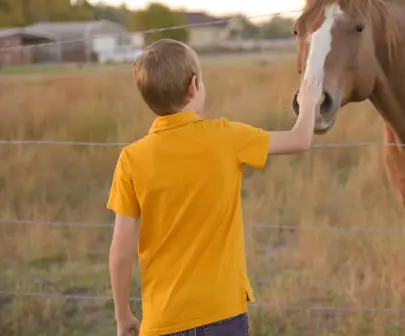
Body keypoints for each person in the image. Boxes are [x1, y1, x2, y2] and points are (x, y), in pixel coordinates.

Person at [107, 39, 322, 336]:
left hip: (163, 320)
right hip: (224, 314)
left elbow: (121, 250)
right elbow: (300, 140)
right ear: (194, 86)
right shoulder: (226, 137)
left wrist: (122, 315)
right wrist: (309, 103)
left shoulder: (131, 159)